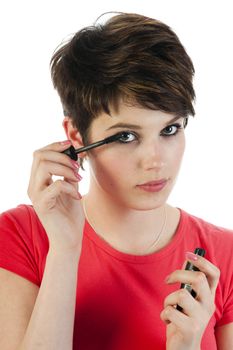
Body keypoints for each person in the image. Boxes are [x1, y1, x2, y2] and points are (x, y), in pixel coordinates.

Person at [0, 12, 232, 350]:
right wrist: (64, 250)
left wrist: (187, 346)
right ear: (76, 136)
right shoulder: (22, 237)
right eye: (126, 136)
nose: (155, 160)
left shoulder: (224, 256)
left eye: (170, 129)